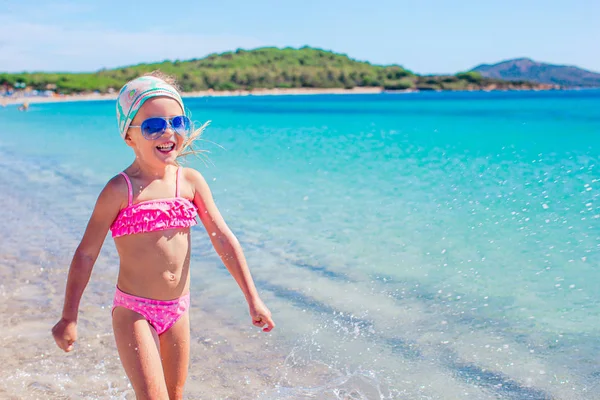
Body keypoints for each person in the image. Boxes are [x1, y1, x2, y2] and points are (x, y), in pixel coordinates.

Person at [51, 72, 275, 399]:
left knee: (175, 395)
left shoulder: (190, 182)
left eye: (177, 122)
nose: (168, 131)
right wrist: (69, 316)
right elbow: (86, 253)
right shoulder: (120, 190)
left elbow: (223, 239)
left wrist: (253, 299)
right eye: (153, 126)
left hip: (178, 309)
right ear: (129, 137)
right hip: (134, 310)